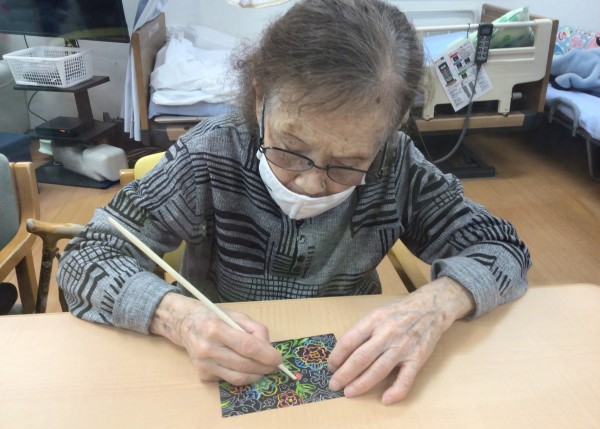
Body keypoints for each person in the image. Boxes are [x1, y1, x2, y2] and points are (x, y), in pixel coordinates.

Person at [57, 0, 531, 405]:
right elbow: (87, 256)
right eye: (290, 149)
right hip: (220, 366)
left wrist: (434, 305)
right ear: (260, 97)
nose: (310, 183)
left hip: (349, 362)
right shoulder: (210, 154)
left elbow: (502, 249)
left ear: (390, 130)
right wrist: (179, 318)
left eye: (347, 164)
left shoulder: (396, 165)